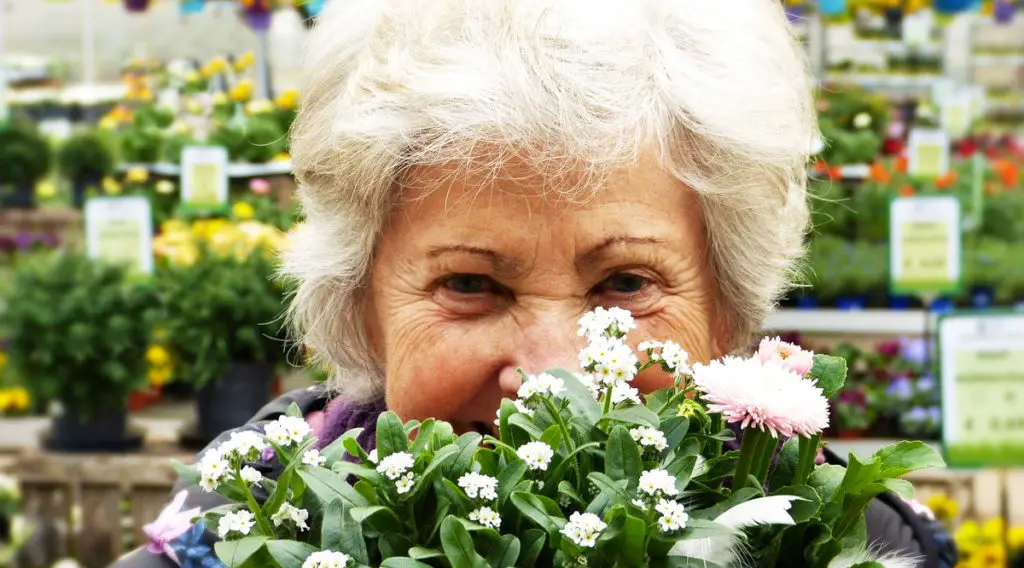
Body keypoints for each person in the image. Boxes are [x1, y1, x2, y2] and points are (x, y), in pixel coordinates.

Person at [113, 1, 956, 567]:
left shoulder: (852, 540)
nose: (552, 378)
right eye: (471, 284)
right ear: (359, 304)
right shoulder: (240, 533)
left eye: (625, 282)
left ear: (727, 303)